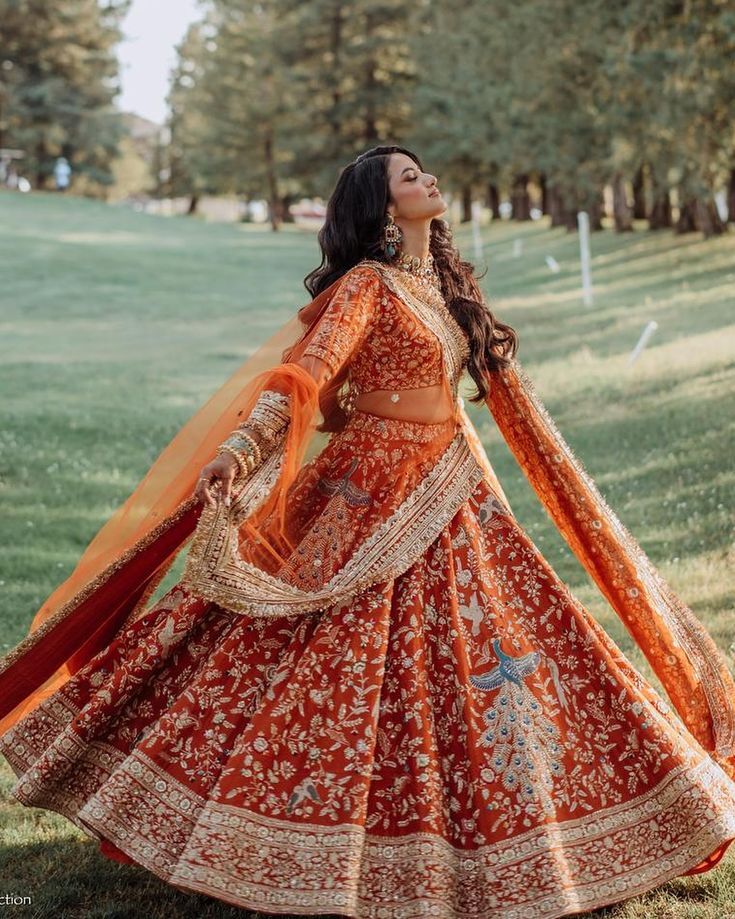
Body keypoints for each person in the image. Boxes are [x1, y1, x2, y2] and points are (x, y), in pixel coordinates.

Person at [1, 144, 735, 918]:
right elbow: (304, 376)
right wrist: (241, 447)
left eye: (423, 171)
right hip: (368, 493)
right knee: (308, 655)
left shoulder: (445, 287)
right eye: (408, 178)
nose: (427, 180)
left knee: (505, 647)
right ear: (384, 209)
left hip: (452, 487)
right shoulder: (367, 286)